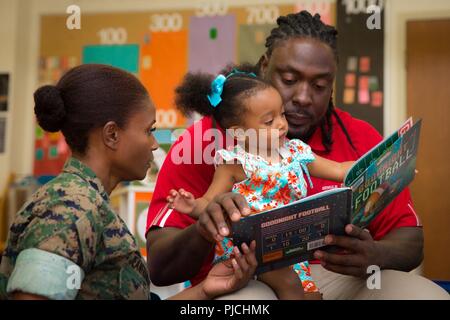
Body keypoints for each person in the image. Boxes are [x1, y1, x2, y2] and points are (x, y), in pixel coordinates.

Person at [146, 11, 449, 299]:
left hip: (342, 279)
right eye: (289, 80)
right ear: (264, 66)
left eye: (320, 86)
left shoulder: (358, 137)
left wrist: (375, 255)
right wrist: (205, 226)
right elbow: (160, 267)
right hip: (250, 279)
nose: (303, 98)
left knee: (428, 295)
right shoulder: (208, 143)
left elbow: (411, 242)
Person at [0, 64, 258, 300]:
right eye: (149, 130)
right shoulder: (69, 209)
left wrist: (204, 290)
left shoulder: (90, 203)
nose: (154, 144)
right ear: (112, 135)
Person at [165, 68, 354, 299]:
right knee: (290, 283)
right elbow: (210, 203)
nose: (282, 124)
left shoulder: (295, 152)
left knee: (311, 294)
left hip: (287, 246)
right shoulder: (235, 163)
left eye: (282, 114)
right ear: (240, 134)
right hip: (248, 252)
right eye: (269, 121)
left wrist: (380, 164)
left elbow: (339, 169)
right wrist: (192, 206)